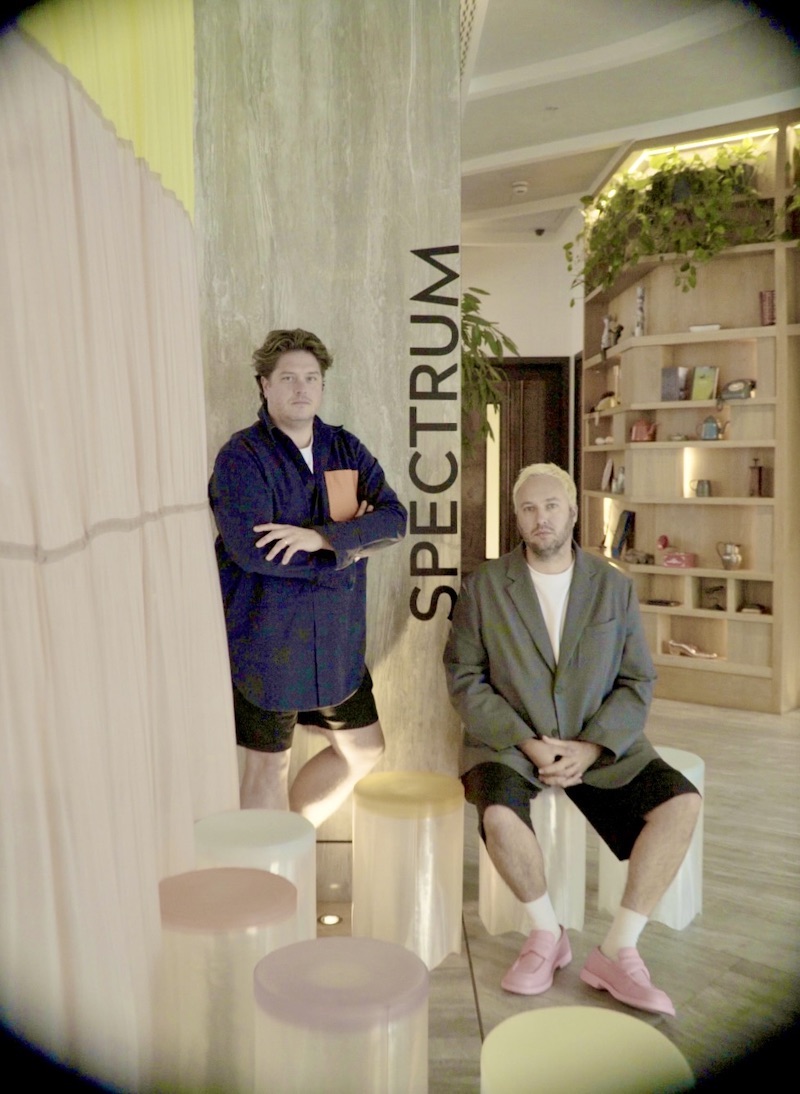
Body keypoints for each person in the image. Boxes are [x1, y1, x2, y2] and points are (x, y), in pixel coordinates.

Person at [443, 463, 701, 1016]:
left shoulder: (614, 586)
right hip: (512, 743)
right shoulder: (484, 587)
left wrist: (593, 747)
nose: (541, 518)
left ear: (574, 512)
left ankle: (618, 950)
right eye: (529, 509)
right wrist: (528, 742)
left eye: (551, 506)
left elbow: (638, 680)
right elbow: (464, 679)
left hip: (598, 742)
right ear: (517, 518)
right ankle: (546, 934)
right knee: (498, 816)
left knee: (682, 804)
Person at [209, 328, 407, 827]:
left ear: (322, 385)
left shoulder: (345, 448)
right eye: (289, 378)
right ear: (265, 385)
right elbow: (254, 551)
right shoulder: (241, 457)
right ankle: (266, 871)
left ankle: (292, 839)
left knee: (364, 748)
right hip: (266, 645)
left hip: (337, 643)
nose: (302, 388)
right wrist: (348, 548)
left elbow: (394, 520)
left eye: (311, 378)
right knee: (267, 769)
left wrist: (321, 539)